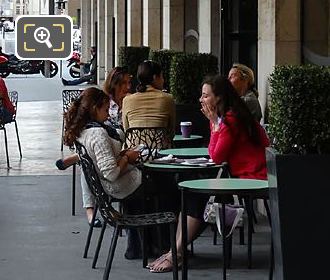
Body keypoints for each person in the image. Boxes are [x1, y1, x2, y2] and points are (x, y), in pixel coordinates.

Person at [148, 75, 269, 273]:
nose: (201, 100)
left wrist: (214, 124)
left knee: (197, 198)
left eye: (205, 96)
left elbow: (216, 155)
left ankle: (176, 252)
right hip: (243, 175)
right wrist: (215, 125)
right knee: (192, 195)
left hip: (253, 177)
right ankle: (176, 251)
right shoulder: (230, 116)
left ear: (219, 98)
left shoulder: (231, 119)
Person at [63, 87, 144, 258]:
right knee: (163, 187)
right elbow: (111, 173)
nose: (108, 115)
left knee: (146, 191)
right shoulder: (97, 134)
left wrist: (122, 155)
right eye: (106, 110)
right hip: (117, 185)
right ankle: (160, 243)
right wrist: (127, 158)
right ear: (94, 109)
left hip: (108, 185)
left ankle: (139, 244)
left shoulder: (84, 130)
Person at [56, 67, 131, 226]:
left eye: (129, 82)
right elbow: (102, 131)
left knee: (87, 158)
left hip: (116, 142)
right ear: (114, 84)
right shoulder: (105, 101)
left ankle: (76, 157)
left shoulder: (130, 101)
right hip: (106, 144)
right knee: (88, 161)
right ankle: (90, 210)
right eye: (124, 83)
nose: (128, 86)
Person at [122, 60, 176, 140]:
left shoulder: (127, 100)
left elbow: (126, 129)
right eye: (161, 76)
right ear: (154, 77)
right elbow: (171, 130)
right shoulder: (168, 99)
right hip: (161, 150)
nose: (163, 80)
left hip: (134, 150)